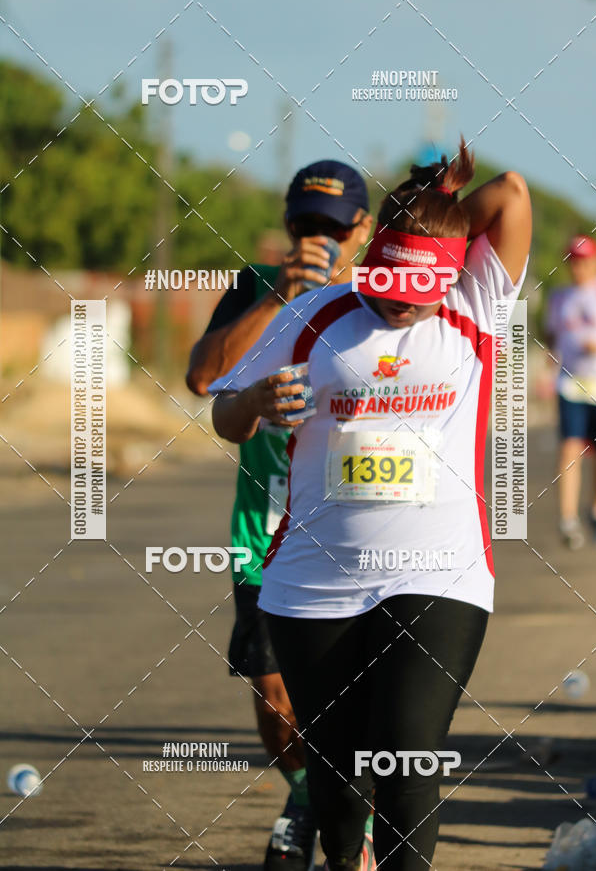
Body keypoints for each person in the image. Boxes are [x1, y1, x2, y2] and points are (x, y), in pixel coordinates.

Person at [209, 140, 531, 871]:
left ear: (451, 274)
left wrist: (437, 223)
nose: (400, 300)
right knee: (338, 790)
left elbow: (509, 192)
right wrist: (256, 400)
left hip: (439, 574)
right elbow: (224, 415)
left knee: (409, 767)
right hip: (312, 583)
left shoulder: (474, 301)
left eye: (419, 288)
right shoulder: (321, 312)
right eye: (387, 278)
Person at [186, 160, 373, 871]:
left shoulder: (373, 301)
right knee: (274, 696)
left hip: (353, 530)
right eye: (304, 223)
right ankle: (305, 791)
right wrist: (281, 298)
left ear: (360, 229)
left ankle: (344, 823)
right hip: (263, 535)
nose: (316, 236)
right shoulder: (254, 287)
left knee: (357, 700)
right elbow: (204, 378)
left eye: (331, 226)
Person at [546, 235, 596, 549]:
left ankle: (595, 509)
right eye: (572, 260)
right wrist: (548, 364)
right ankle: (568, 520)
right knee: (570, 447)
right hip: (571, 384)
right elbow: (552, 337)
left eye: (582, 260)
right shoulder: (558, 297)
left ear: (593, 261)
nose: (576, 266)